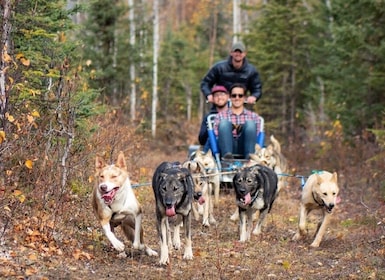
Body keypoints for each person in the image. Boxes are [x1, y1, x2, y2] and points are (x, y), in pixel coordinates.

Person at [213, 83, 261, 159]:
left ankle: (249, 158)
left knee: (250, 123)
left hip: (247, 145)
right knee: (224, 123)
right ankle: (227, 158)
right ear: (230, 97)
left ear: (245, 97)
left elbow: (256, 136)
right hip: (226, 145)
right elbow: (217, 136)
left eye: (240, 95)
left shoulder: (254, 116)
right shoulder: (220, 116)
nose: (237, 98)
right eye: (234, 95)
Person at [198, 85, 229, 152]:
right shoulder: (209, 117)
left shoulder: (234, 115)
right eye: (216, 95)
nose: (219, 97)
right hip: (212, 147)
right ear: (213, 99)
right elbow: (202, 139)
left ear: (227, 97)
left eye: (222, 94)